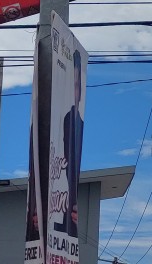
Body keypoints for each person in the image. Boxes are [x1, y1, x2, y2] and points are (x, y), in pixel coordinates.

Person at [62, 50, 84, 238]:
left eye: (76, 85)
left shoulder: (79, 124)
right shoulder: (64, 120)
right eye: (71, 85)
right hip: (59, 204)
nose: (73, 91)